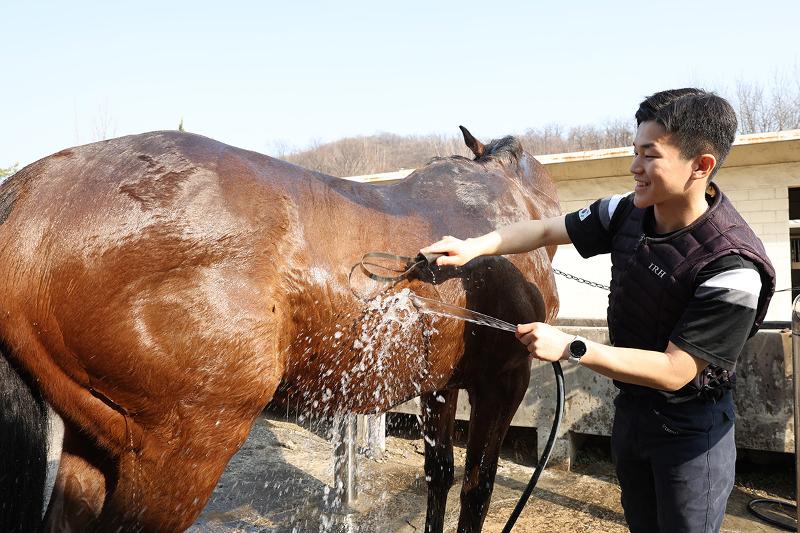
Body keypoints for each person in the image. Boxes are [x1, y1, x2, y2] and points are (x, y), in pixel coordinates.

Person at [421, 88, 776, 533]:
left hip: (690, 433)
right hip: (632, 412)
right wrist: (472, 247)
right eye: (635, 152)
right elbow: (548, 228)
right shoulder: (627, 212)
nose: (635, 167)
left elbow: (676, 369)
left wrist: (571, 346)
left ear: (700, 166)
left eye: (650, 155)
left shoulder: (733, 267)